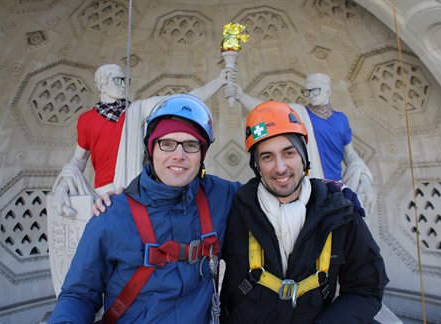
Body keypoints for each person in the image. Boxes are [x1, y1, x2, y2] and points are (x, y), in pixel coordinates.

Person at [49, 94, 242, 323]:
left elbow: (273, 192)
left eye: (191, 145)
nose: (178, 155)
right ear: (151, 150)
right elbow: (78, 295)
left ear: (202, 154)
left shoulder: (223, 197)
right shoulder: (112, 214)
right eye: (167, 144)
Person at [219, 101, 388, 323]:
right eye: (267, 156)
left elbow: (365, 288)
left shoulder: (339, 212)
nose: (280, 168)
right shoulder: (232, 209)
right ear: (256, 165)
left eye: (289, 153)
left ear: (303, 157)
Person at [51, 64, 230, 218]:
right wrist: (64, 183)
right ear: (102, 84)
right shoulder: (86, 119)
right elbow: (78, 161)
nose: (123, 85)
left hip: (136, 192)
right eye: (117, 80)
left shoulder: (137, 109)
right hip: (101, 196)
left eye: (125, 80)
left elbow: (182, 100)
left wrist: (219, 81)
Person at [231, 73, 375, 213]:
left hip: (336, 190)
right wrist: (241, 96)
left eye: (315, 90)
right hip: (310, 190)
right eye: (308, 91)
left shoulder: (341, 119)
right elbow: (268, 110)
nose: (311, 94)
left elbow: (349, 154)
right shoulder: (299, 114)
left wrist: (362, 172)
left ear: (328, 91)